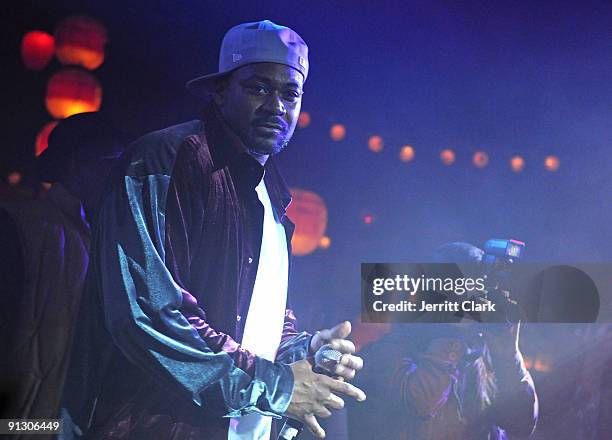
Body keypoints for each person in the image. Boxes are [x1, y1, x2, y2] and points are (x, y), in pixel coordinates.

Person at [61, 20, 365, 440]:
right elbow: (151, 316)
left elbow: (254, 318)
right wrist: (277, 388)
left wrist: (306, 348)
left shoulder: (272, 195)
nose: (277, 105)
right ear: (221, 90)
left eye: (290, 93)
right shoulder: (164, 161)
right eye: (259, 88)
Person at [0, 112, 128, 437]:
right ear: (76, 164)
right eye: (111, 162)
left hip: (57, 421)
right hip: (21, 422)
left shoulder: (97, 237)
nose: (120, 176)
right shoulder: (22, 227)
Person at [348, 242, 538, 439]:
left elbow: (521, 425)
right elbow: (421, 403)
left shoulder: (483, 353)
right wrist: (453, 334)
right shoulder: (390, 352)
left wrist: (509, 354)